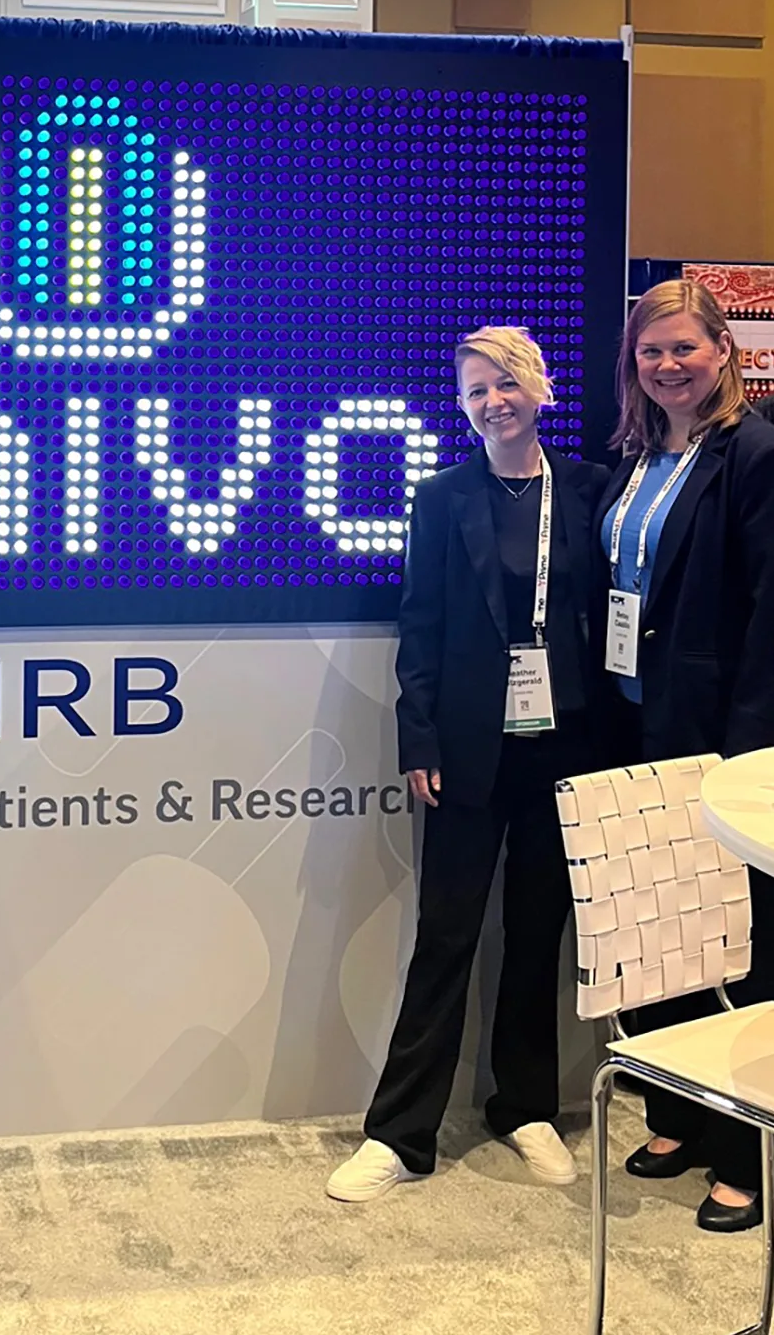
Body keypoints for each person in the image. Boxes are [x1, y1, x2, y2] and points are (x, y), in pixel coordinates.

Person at [327, 326, 609, 1203]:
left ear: (538, 390)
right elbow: (422, 627)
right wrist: (419, 739)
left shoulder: (595, 490)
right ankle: (398, 1135)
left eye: (505, 384)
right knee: (445, 938)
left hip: (564, 751)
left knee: (535, 937)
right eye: (475, 390)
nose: (491, 401)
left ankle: (521, 1108)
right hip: (463, 754)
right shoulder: (440, 497)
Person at [597, 278, 774, 1233]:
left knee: (742, 943)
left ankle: (744, 1146)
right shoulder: (635, 454)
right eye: (648, 352)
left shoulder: (753, 450)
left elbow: (767, 612)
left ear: (722, 349)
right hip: (635, 723)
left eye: (682, 349)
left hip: (719, 737)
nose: (665, 366)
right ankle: (678, 1115)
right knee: (662, 924)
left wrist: (747, 750)